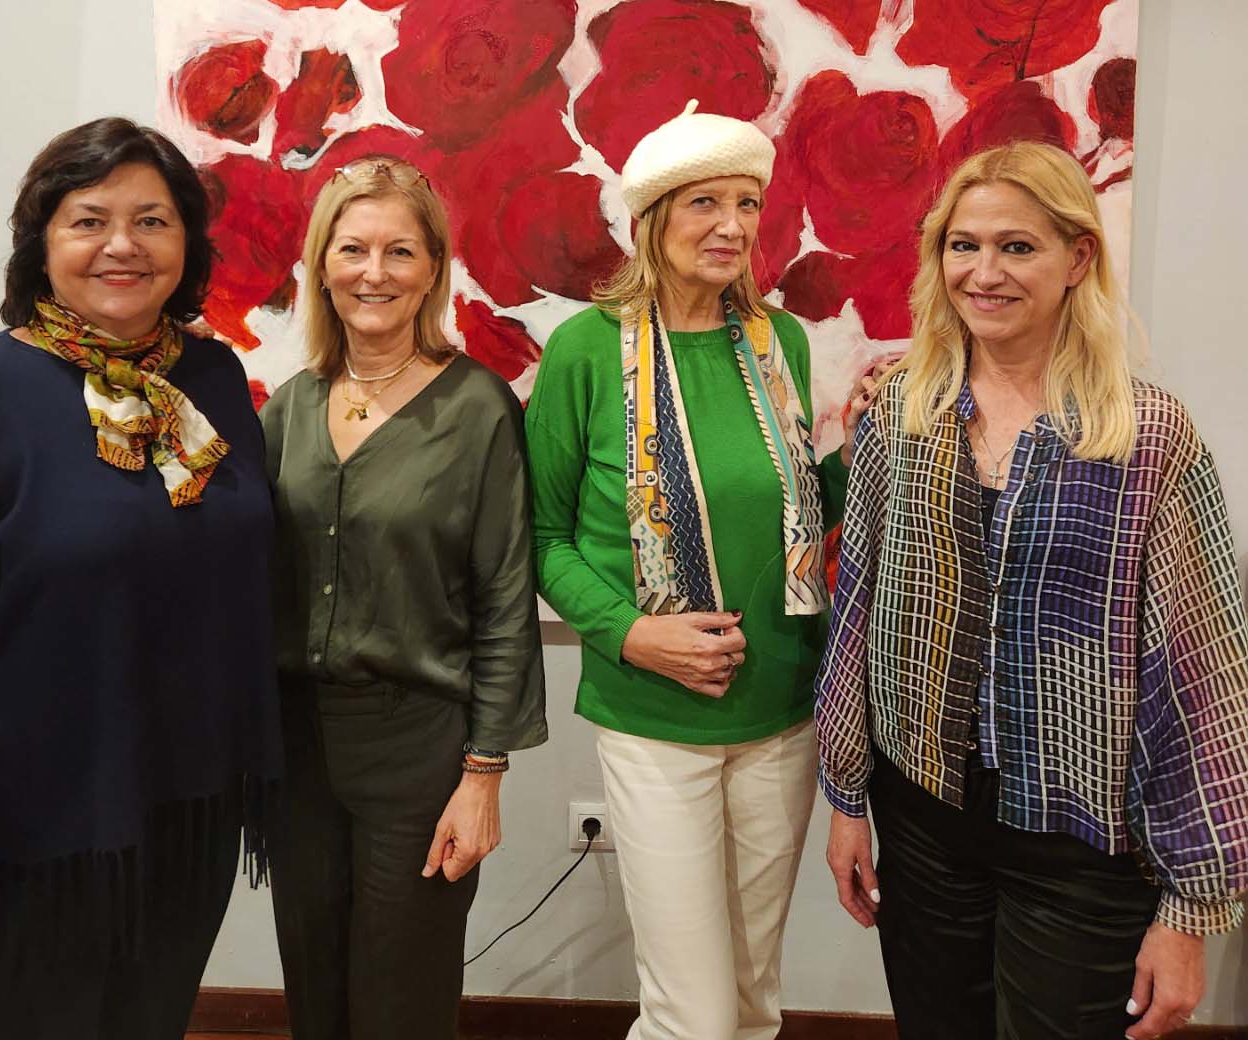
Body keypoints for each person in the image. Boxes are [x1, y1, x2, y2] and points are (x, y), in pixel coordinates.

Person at [816, 141, 1248, 1040]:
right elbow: (858, 616)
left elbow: (1202, 676)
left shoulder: (1145, 436)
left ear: (1076, 257)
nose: (983, 273)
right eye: (962, 245)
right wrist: (848, 800)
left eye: (1016, 247)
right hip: (923, 818)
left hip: (1082, 838)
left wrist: (1190, 906)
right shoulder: (902, 415)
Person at [0, 117, 281, 1040]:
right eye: (89, 220)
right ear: (41, 242)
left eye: (152, 220)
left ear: (187, 243)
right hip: (28, 842)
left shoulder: (212, 377)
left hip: (185, 822)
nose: (123, 244)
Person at [529, 102, 868, 1040]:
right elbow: (541, 535)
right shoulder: (584, 351)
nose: (731, 226)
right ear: (651, 218)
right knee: (691, 1013)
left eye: (747, 203)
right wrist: (632, 633)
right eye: (704, 203)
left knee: (753, 1001)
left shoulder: (776, 343)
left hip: (782, 710)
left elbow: (800, 504)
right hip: (655, 717)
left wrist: (862, 446)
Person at [262, 156, 546, 1040]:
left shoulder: (477, 409)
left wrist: (483, 776)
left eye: (399, 252)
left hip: (418, 750)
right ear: (322, 265)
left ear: (432, 270)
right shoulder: (289, 408)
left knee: (402, 1002)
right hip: (296, 748)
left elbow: (504, 598)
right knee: (314, 990)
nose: (373, 272)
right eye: (352, 249)